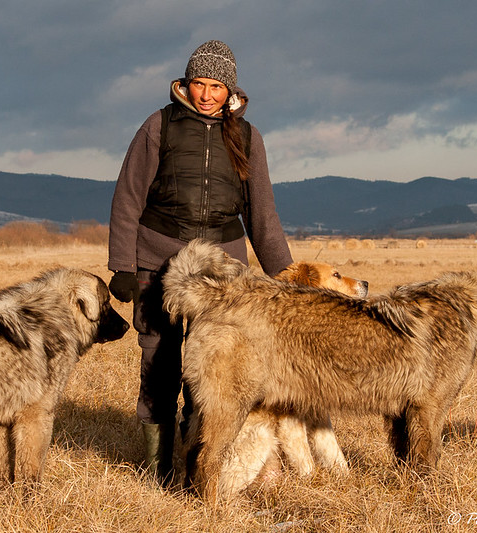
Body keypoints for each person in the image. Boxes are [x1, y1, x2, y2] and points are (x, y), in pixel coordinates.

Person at [107, 40, 293, 483]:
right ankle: (158, 471)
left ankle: (197, 470)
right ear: (185, 84)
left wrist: (284, 276)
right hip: (159, 262)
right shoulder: (159, 126)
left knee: (211, 371)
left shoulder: (248, 137)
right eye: (197, 83)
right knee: (159, 362)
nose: (205, 94)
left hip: (223, 276)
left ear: (230, 89)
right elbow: (128, 198)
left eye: (214, 85)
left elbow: (261, 212)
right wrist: (123, 267)